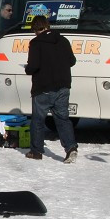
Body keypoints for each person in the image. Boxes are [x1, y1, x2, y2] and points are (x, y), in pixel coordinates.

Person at [24, 14, 78, 163]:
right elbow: (72, 61)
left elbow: (33, 66)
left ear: (35, 29)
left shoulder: (36, 43)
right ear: (48, 25)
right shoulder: (63, 40)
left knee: (38, 120)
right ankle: (71, 148)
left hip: (43, 87)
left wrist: (27, 69)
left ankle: (36, 152)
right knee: (62, 119)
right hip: (63, 85)